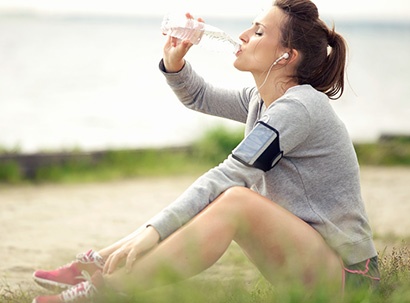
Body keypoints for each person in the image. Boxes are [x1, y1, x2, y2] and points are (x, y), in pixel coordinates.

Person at [32, 0, 380, 302]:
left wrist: (153, 231)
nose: (243, 35)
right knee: (227, 197)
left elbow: (231, 174)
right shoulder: (264, 100)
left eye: (258, 32)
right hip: (309, 261)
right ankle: (97, 265)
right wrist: (175, 64)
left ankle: (104, 291)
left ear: (286, 56)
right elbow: (199, 96)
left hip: (350, 280)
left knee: (234, 199)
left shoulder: (299, 109)